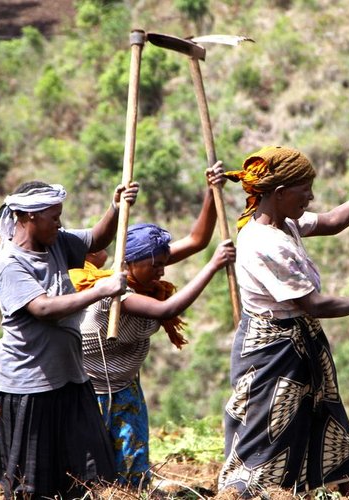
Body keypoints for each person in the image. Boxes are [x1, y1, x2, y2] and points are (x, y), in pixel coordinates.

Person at [216, 146, 349, 497]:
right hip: (274, 357)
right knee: (267, 441)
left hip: (302, 349)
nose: (311, 196)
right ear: (279, 193)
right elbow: (313, 304)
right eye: (304, 190)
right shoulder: (263, 243)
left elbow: (333, 221)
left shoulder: (286, 224)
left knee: (331, 434)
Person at [0, 180, 139, 499]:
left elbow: (97, 239)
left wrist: (116, 207)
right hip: (30, 387)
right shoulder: (10, 263)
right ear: (29, 217)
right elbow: (43, 308)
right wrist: (99, 290)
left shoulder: (56, 242)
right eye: (54, 216)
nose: (60, 223)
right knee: (33, 486)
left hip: (70, 379)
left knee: (83, 476)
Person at [72, 164, 236, 489]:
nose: (162, 272)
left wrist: (210, 190)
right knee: (90, 475)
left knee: (133, 470)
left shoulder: (145, 268)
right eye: (155, 266)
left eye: (164, 263)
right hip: (91, 393)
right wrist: (214, 266)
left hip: (126, 387)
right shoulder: (117, 293)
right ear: (129, 262)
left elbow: (198, 240)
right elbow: (169, 309)